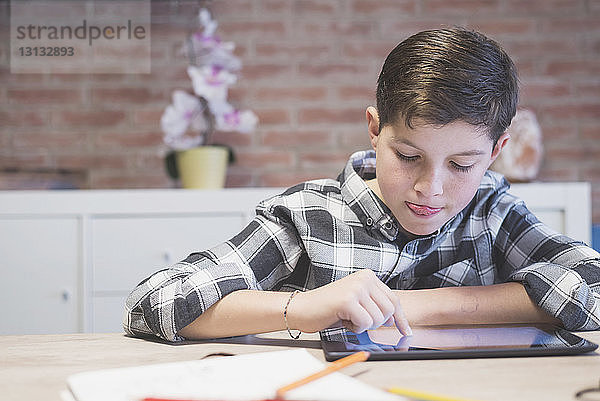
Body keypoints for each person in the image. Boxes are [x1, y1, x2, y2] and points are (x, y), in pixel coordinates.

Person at [124, 28, 600, 342]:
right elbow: (153, 303)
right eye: (409, 157)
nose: (430, 189)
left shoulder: (492, 211)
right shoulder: (309, 217)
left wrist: (421, 306)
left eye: (461, 165)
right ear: (375, 130)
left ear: (496, 152)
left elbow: (593, 286)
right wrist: (301, 308)